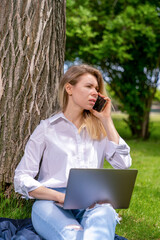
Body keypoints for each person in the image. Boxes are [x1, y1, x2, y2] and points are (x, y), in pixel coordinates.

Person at [14, 64, 132, 240]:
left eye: (97, 89)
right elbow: (21, 177)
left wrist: (107, 120)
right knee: (72, 236)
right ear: (69, 88)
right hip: (51, 203)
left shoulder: (100, 129)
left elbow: (123, 164)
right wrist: (59, 196)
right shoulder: (47, 129)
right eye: (89, 86)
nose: (95, 92)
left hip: (93, 203)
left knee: (103, 218)